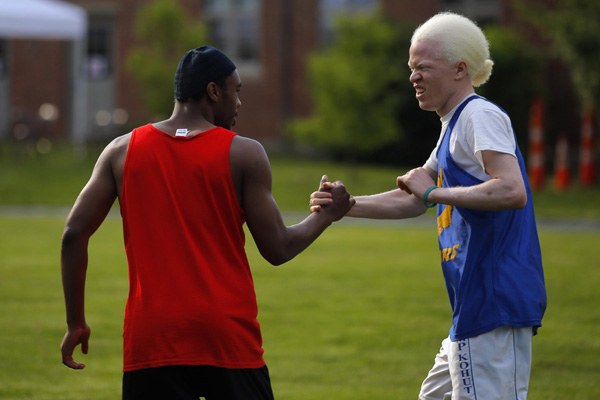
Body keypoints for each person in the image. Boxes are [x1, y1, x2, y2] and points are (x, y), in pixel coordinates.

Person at [60, 46, 354, 400]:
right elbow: (278, 248)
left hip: (152, 341)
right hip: (226, 338)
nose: (240, 103)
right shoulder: (244, 153)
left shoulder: (121, 151)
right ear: (214, 92)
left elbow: (73, 234)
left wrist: (75, 321)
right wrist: (327, 215)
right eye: (237, 91)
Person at [310, 13, 546, 400]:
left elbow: (511, 190)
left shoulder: (478, 115)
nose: (413, 77)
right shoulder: (453, 125)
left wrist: (433, 195)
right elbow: (411, 196)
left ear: (459, 69)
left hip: (494, 301)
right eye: (411, 68)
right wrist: (347, 206)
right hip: (473, 307)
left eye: (423, 67)